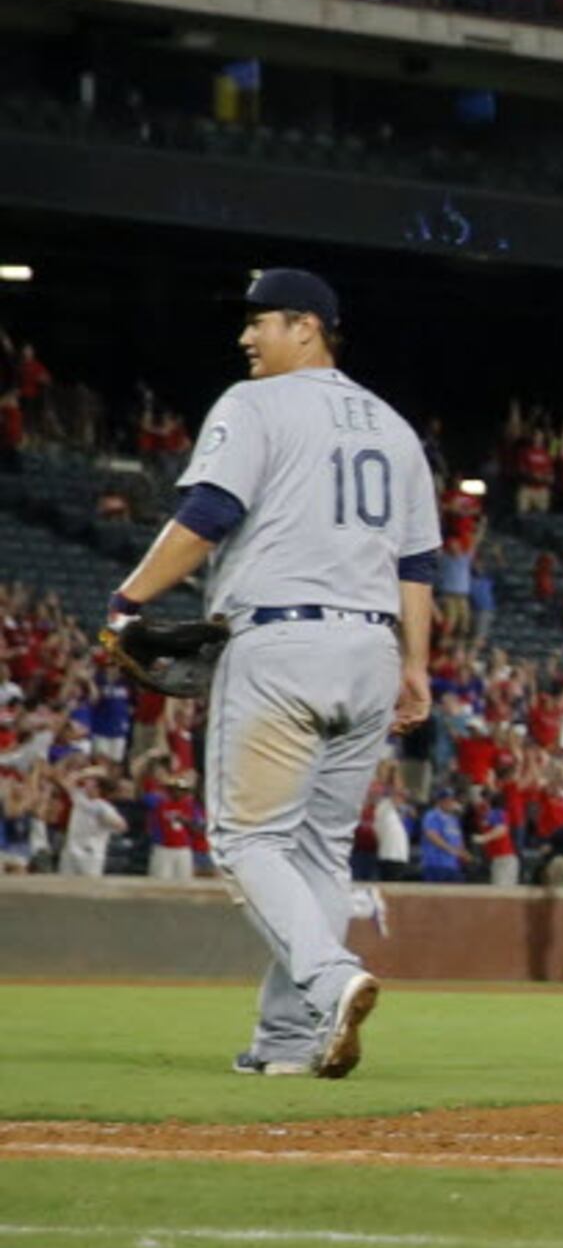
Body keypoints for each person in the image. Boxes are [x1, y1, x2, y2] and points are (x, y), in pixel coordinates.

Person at [106, 268, 436, 1079]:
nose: (246, 337)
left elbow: (208, 515)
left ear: (309, 327)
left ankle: (329, 978)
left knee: (248, 838)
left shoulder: (255, 404)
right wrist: (418, 666)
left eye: (262, 322)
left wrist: (129, 596)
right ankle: (287, 1043)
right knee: (320, 852)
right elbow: (418, 561)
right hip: (371, 650)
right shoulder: (395, 427)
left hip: (283, 641)